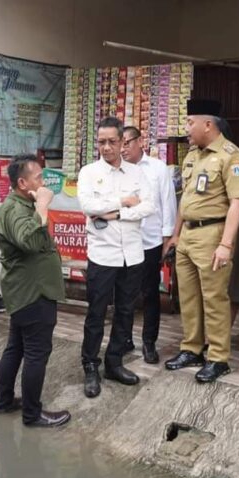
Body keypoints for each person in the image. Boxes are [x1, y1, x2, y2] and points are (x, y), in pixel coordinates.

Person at [163, 99, 239, 383]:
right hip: (187, 234)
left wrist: (226, 244)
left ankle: (218, 357)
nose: (186, 128)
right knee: (188, 296)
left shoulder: (232, 157)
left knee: (214, 298)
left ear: (208, 125)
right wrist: (175, 234)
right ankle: (191, 348)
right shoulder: (192, 156)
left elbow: (238, 203)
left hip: (213, 233)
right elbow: (185, 199)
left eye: (190, 123)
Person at [77, 116, 155, 398]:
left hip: (132, 255)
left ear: (124, 142)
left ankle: (114, 362)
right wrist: (123, 201)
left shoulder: (136, 173)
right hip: (102, 254)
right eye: (101, 142)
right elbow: (88, 206)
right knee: (96, 313)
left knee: (125, 311)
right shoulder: (88, 172)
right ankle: (90, 365)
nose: (106, 147)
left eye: (112, 141)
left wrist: (116, 214)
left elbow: (148, 206)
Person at [0, 154, 71, 428]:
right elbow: (28, 239)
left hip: (27, 291)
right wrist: (43, 205)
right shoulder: (16, 209)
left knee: (16, 347)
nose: (43, 180)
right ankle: (32, 414)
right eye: (38, 176)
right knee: (36, 352)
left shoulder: (20, 204)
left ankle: (3, 401)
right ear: (23, 183)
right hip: (32, 292)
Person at [120, 125, 178, 364]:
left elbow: (168, 203)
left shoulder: (157, 169)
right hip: (122, 240)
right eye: (119, 143)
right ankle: (123, 339)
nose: (122, 149)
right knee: (123, 293)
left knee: (150, 293)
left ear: (140, 141)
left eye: (126, 142)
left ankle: (149, 342)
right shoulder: (116, 169)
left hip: (151, 240)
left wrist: (168, 238)